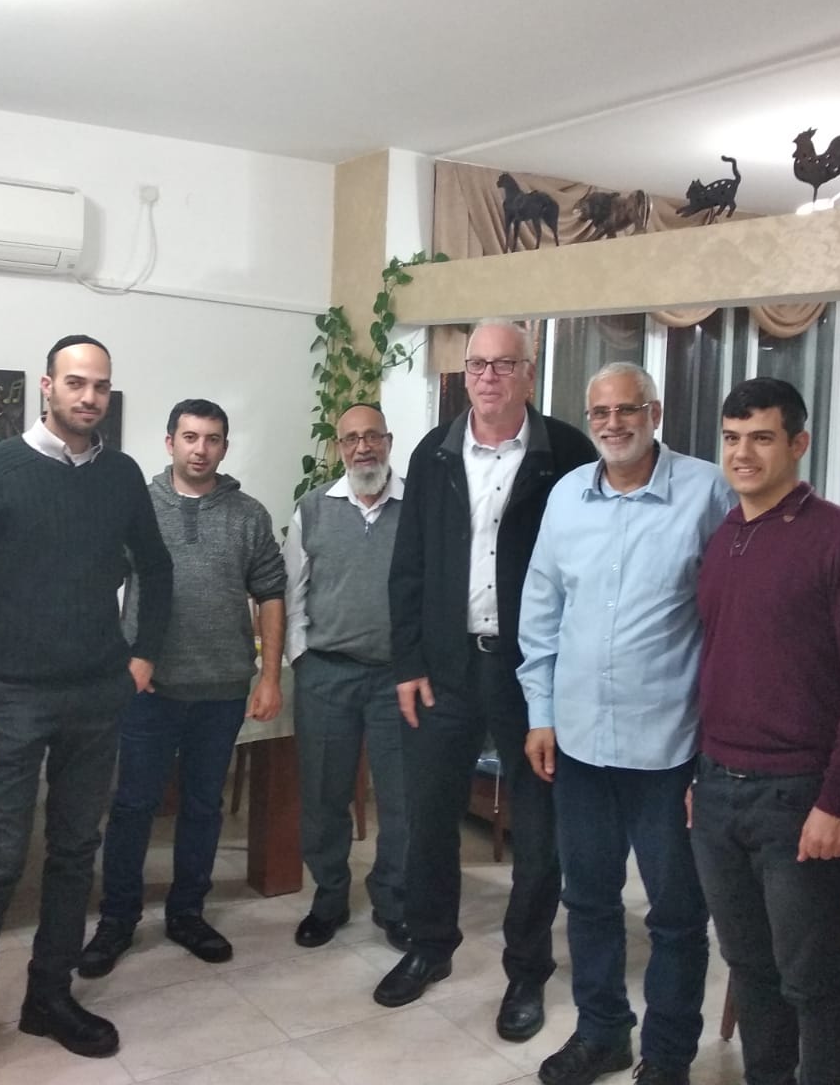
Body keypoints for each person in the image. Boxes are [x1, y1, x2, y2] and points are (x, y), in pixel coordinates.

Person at [0, 335, 173, 1085]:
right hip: (13, 696)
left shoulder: (121, 474)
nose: (88, 397)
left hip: (97, 694)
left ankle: (48, 996)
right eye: (75, 382)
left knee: (73, 852)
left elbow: (156, 567)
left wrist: (142, 653)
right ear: (46, 386)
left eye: (99, 386)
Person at [518, 362, 735, 1085]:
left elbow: (731, 617)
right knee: (587, 900)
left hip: (670, 747)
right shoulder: (566, 497)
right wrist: (540, 713)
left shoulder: (707, 491)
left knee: (676, 914)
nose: (613, 424)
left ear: (655, 412)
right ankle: (603, 1032)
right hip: (579, 744)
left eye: (627, 409)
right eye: (600, 412)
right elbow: (542, 608)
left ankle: (667, 1058)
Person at [378, 319, 594, 1044]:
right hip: (443, 667)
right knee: (429, 817)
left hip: (531, 672)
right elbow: (408, 566)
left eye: (504, 364)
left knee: (538, 831)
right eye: (477, 365)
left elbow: (586, 567)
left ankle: (526, 971)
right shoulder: (434, 452)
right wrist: (408, 663)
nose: (489, 377)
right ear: (463, 373)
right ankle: (429, 944)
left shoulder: (567, 453)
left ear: (530, 372)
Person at [688, 377, 840, 1085]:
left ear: (799, 444)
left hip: (800, 800)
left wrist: (839, 802)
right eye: (732, 438)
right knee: (749, 966)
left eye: (762, 438)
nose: (743, 454)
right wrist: (700, 772)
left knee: (810, 980)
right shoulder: (724, 538)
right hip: (717, 791)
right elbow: (717, 663)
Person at [79, 398, 286, 975]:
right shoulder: (138, 506)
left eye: (212, 439)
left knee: (202, 806)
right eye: (190, 437)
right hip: (150, 688)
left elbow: (271, 593)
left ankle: (187, 912)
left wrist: (270, 676)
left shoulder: (248, 515)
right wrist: (116, 660)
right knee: (132, 805)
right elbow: (99, 581)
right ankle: (117, 919)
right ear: (170, 442)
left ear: (224, 447)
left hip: (222, 688)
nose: (201, 449)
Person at [282, 402, 408, 950]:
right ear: (338, 448)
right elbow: (292, 592)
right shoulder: (312, 509)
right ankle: (329, 898)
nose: (363, 448)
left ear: (389, 441)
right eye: (352, 438)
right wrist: (302, 659)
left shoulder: (418, 507)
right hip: (327, 675)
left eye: (372, 437)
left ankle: (394, 902)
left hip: (397, 680)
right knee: (323, 796)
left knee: (402, 800)